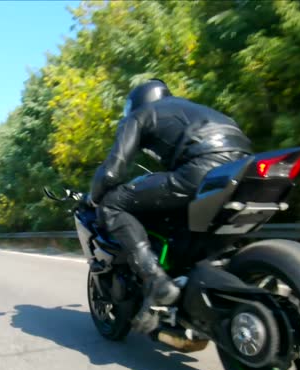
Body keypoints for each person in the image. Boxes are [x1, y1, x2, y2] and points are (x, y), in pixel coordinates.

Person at [88, 79, 253, 333]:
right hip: (243, 164)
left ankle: (155, 280)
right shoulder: (191, 109)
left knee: (112, 204)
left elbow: (112, 171)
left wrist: (94, 197)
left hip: (202, 166)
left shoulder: (140, 115)